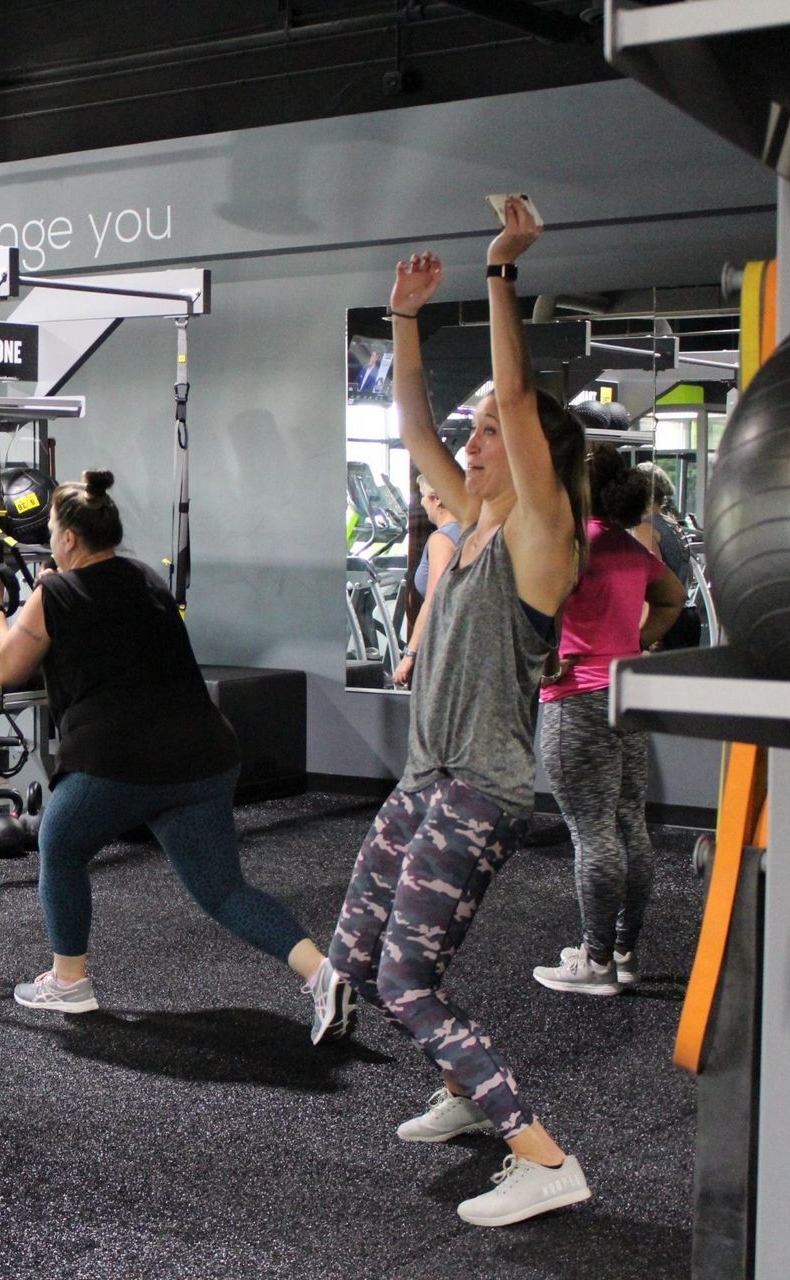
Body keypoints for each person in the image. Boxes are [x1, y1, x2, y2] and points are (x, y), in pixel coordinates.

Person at [321, 197, 594, 1228]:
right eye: (472, 433)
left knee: (405, 979)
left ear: (522, 453)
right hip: (428, 781)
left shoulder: (539, 541)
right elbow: (412, 429)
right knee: (362, 928)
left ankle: (541, 1151)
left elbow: (519, 405)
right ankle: (453, 1085)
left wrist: (498, 274)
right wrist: (400, 320)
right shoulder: (470, 527)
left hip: (480, 787)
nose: (469, 445)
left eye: (487, 436)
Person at [0, 473, 355, 1045]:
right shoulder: (143, 578)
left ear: (70, 539)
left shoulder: (53, 596)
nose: (50, 542)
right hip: (205, 755)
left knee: (60, 843)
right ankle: (323, 973)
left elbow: (4, 667)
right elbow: (102, 620)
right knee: (223, 890)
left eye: (53, 532)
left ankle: (69, 982)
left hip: (122, 761)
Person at [532, 446, 686, 995]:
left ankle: (595, 963)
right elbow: (674, 597)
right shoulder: (625, 544)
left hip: (577, 700)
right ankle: (622, 951)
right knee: (629, 825)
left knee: (592, 832)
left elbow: (531, 617)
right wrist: (632, 643)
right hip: (625, 694)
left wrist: (547, 663)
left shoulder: (575, 545)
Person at [393, 473, 464, 689]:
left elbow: (435, 598)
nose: (422, 502)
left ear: (438, 499)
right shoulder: (468, 531)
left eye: (423, 496)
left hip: (445, 645)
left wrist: (410, 654)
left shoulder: (441, 539)